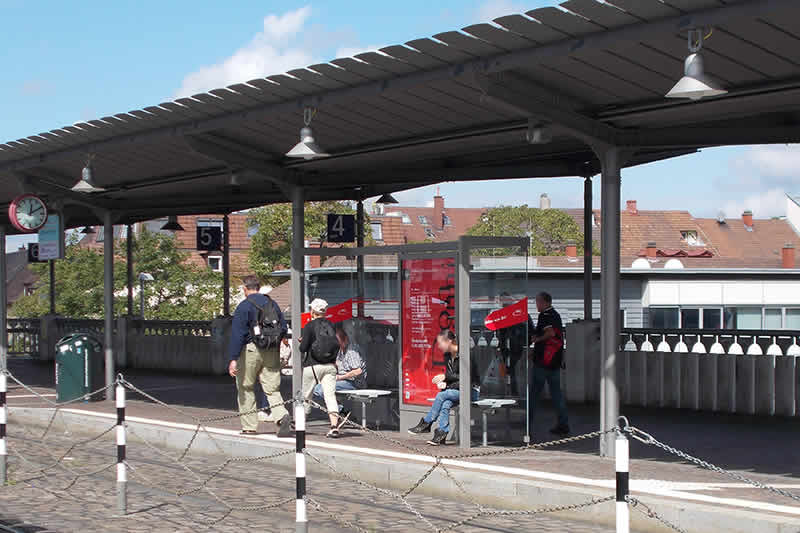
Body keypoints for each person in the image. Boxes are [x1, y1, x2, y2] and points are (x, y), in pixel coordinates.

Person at [228, 275, 291, 437]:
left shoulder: (244, 306)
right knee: (272, 388)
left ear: (244, 288)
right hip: (271, 350)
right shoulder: (272, 303)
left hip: (250, 350)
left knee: (246, 386)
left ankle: (249, 427)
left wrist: (233, 358)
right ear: (259, 286)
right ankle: (281, 415)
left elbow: (237, 334)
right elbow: (283, 327)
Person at [408, 330, 480, 446]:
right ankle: (441, 433)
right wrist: (445, 383)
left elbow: (467, 379)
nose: (439, 346)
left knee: (441, 395)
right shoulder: (447, 356)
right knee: (445, 403)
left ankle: (427, 422)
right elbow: (452, 379)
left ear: (449, 341)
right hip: (455, 390)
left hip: (471, 390)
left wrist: (445, 378)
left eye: (441, 343)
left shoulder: (466, 354)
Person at [300, 299, 342, 438]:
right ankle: (334, 426)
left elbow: (303, 348)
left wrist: (302, 341)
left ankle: (300, 424)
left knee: (306, 395)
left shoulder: (309, 326)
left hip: (312, 366)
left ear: (312, 311)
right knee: (330, 396)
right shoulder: (331, 325)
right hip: (330, 366)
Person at [529, 291, 570, 437]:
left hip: (543, 362)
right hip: (554, 361)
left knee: (534, 394)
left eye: (538, 302)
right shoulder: (556, 315)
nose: (537, 305)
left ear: (546, 302)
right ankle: (563, 424)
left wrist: (537, 340)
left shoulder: (546, 316)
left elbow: (550, 333)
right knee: (557, 394)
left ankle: (527, 424)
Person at [313, 324, 366, 416]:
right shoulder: (340, 350)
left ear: (345, 339)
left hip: (354, 383)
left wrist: (339, 377)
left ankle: (340, 410)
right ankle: (340, 410)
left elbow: (358, 371)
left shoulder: (351, 351)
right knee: (317, 389)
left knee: (321, 389)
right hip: (344, 381)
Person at [496, 292, 535, 397]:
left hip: (517, 348)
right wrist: (500, 344)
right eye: (502, 301)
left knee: (515, 371)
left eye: (505, 301)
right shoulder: (502, 314)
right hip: (507, 348)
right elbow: (499, 332)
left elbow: (531, 330)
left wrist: (524, 342)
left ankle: (515, 394)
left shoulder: (521, 313)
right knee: (508, 371)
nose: (503, 304)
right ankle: (510, 392)